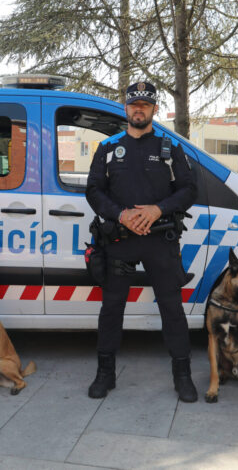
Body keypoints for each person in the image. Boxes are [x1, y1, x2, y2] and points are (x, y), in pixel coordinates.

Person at [85, 81, 198, 402]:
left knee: (172, 308)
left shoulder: (169, 148)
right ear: (126, 108)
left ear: (154, 110)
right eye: (134, 104)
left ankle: (183, 376)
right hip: (120, 239)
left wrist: (157, 209)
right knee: (111, 308)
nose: (139, 110)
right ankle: (105, 374)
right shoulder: (108, 148)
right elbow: (93, 191)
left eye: (145, 105)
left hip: (159, 239)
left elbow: (189, 190)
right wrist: (121, 215)